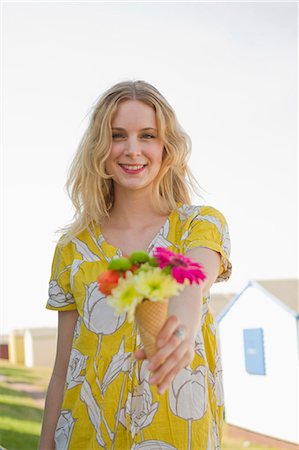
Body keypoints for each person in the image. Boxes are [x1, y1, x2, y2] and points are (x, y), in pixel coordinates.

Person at [39, 80, 232, 450]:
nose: (132, 150)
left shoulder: (199, 223)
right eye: (117, 135)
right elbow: (64, 367)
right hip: (83, 438)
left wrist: (181, 329)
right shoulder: (72, 248)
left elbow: (193, 277)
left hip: (175, 437)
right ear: (99, 147)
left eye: (147, 135)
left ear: (166, 147)